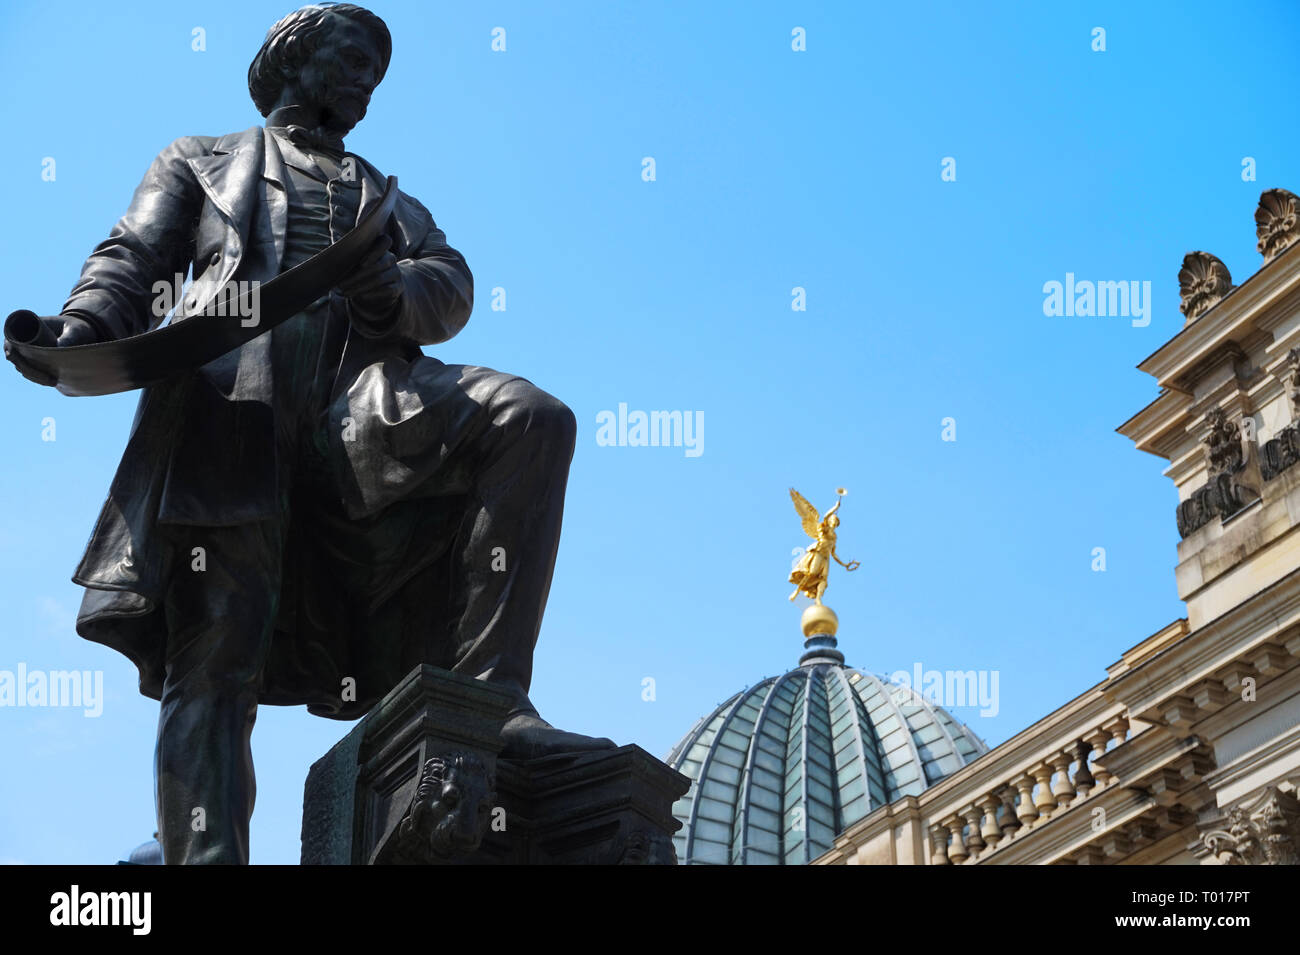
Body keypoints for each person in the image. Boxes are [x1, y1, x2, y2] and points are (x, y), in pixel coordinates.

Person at [4, 2, 613, 865]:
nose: (368, 77)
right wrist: (76, 334)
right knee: (218, 648)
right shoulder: (197, 161)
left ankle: (495, 703)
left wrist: (384, 286)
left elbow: (450, 286)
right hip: (233, 403)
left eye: (377, 66)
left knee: (530, 415)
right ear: (292, 60)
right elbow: (131, 263)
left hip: (363, 402)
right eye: (352, 56)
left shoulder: (386, 198)